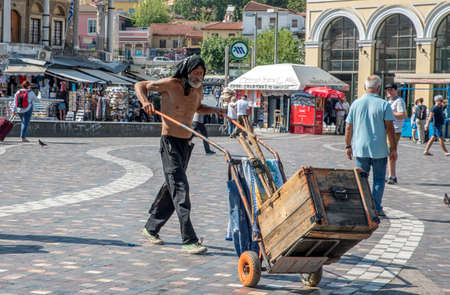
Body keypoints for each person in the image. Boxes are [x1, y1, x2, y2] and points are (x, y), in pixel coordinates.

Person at [135, 55, 222, 254]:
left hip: (186, 144)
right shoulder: (170, 84)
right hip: (170, 142)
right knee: (181, 188)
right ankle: (189, 240)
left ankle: (151, 228)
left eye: (201, 73)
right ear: (186, 70)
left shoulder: (198, 89)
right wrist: (145, 102)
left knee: (171, 186)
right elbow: (139, 85)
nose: (198, 76)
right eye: (195, 72)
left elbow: (196, 107)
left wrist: (215, 110)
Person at [345, 75, 397, 217]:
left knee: (361, 178)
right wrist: (393, 149)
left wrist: (347, 146)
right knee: (379, 179)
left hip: (360, 148)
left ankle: (362, 206)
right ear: (379, 88)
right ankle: (376, 208)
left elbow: (348, 127)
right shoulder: (383, 104)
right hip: (379, 149)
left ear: (364, 87)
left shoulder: (355, 103)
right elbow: (390, 129)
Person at [385, 83, 406, 185]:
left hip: (395, 130)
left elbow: (403, 115)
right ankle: (389, 174)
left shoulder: (399, 101)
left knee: (391, 152)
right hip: (388, 129)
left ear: (396, 90)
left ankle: (392, 176)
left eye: (391, 89)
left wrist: (390, 113)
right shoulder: (389, 101)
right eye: (387, 90)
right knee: (387, 153)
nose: (389, 91)